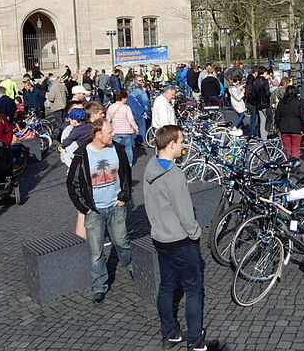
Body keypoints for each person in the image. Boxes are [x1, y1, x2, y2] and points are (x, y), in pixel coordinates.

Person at [144, 125, 216, 351]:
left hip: (160, 238)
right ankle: (195, 341)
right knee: (193, 289)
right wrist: (195, 233)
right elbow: (185, 213)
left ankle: (170, 333)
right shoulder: (174, 175)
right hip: (180, 241)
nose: (184, 145)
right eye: (182, 141)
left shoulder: (150, 166)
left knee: (166, 287)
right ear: (171, 144)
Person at [67, 119, 134, 304]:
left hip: (116, 206)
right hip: (94, 211)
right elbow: (72, 184)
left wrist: (123, 197)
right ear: (98, 135)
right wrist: (85, 208)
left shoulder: (118, 149)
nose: (113, 134)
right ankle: (99, 286)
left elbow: (127, 174)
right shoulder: (82, 155)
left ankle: (132, 267)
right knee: (96, 251)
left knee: (122, 242)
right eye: (109, 132)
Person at [106, 91, 139, 166]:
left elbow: (108, 119)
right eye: (126, 98)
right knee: (128, 148)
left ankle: (115, 161)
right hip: (126, 131)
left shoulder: (111, 107)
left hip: (115, 131)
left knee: (115, 148)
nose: (127, 100)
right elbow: (131, 119)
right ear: (123, 98)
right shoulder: (126, 107)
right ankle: (129, 162)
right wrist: (136, 128)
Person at [275, 85, 304, 163]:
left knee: (286, 148)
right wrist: (303, 128)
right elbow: (303, 117)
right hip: (296, 128)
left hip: (284, 128)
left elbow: (277, 116)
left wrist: (278, 126)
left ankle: (286, 163)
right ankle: (294, 165)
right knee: (295, 148)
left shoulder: (281, 103)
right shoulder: (299, 103)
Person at [127, 78, 152, 147]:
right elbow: (146, 105)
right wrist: (149, 113)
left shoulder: (133, 92)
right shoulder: (143, 94)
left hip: (130, 111)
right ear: (145, 87)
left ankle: (133, 142)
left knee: (134, 127)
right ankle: (141, 140)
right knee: (142, 126)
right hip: (139, 112)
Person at [252, 67, 271, 140]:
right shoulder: (265, 81)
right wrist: (269, 94)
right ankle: (267, 133)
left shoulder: (255, 81)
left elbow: (253, 95)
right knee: (269, 119)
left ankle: (264, 138)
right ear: (264, 72)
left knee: (262, 121)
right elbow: (267, 93)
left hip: (258, 104)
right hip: (265, 103)